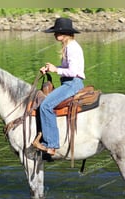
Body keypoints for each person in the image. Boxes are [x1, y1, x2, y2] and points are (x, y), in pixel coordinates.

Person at [33, 17, 85, 156]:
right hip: (69, 82)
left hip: (72, 83)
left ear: (66, 33)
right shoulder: (69, 46)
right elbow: (67, 67)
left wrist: (56, 70)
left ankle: (51, 144)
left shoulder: (72, 48)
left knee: (45, 105)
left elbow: (73, 71)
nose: (55, 34)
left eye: (57, 32)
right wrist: (51, 68)